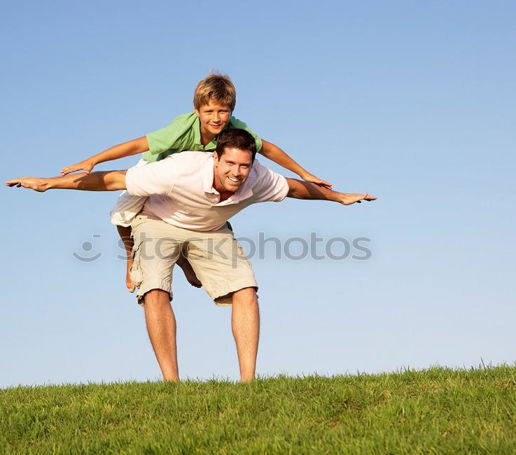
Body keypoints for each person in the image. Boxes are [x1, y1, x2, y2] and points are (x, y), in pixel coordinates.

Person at [6, 130, 376, 382]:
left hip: (210, 230)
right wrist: (48, 183)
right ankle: (172, 386)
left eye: (244, 166)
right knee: (155, 291)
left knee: (246, 289)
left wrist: (340, 197)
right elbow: (113, 180)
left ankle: (249, 385)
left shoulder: (256, 177)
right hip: (158, 221)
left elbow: (296, 188)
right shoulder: (179, 169)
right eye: (230, 164)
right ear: (215, 158)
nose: (236, 173)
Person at [55, 73, 331, 292]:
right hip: (159, 169)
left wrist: (304, 172)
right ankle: (131, 259)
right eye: (210, 111)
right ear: (197, 109)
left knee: (197, 218)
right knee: (123, 214)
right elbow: (138, 144)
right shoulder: (182, 128)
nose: (216, 118)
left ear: (231, 110)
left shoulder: (236, 128)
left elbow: (267, 148)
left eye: (223, 111)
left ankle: (186, 264)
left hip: (193, 179)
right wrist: (94, 160)